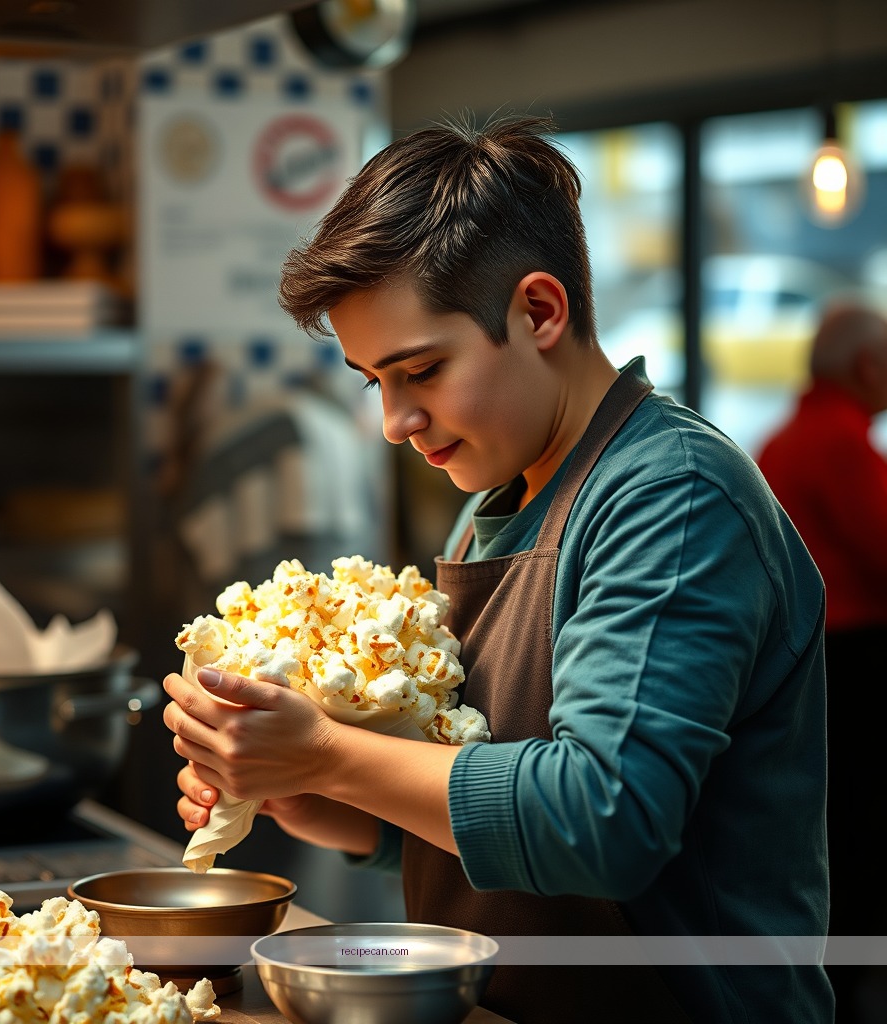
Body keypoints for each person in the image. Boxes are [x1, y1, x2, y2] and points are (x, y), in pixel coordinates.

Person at [163, 114, 833, 1024]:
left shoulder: (671, 497)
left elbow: (600, 821)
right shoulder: (498, 501)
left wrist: (328, 752)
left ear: (540, 311)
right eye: (375, 381)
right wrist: (323, 798)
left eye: (421, 370)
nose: (395, 422)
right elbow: (491, 811)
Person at [756, 301, 887, 1023]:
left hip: (811, 666)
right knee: (858, 830)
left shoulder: (783, 440)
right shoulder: (839, 442)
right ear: (868, 366)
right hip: (853, 668)